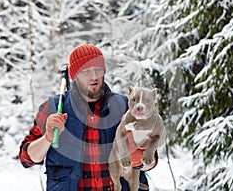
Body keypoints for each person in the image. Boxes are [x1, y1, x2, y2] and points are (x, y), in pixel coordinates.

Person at [19, 44, 153, 191]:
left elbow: (150, 161)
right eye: (86, 71)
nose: (94, 76)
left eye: (98, 69)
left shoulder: (125, 107)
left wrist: (138, 158)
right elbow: (27, 158)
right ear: (74, 76)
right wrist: (47, 138)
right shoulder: (53, 108)